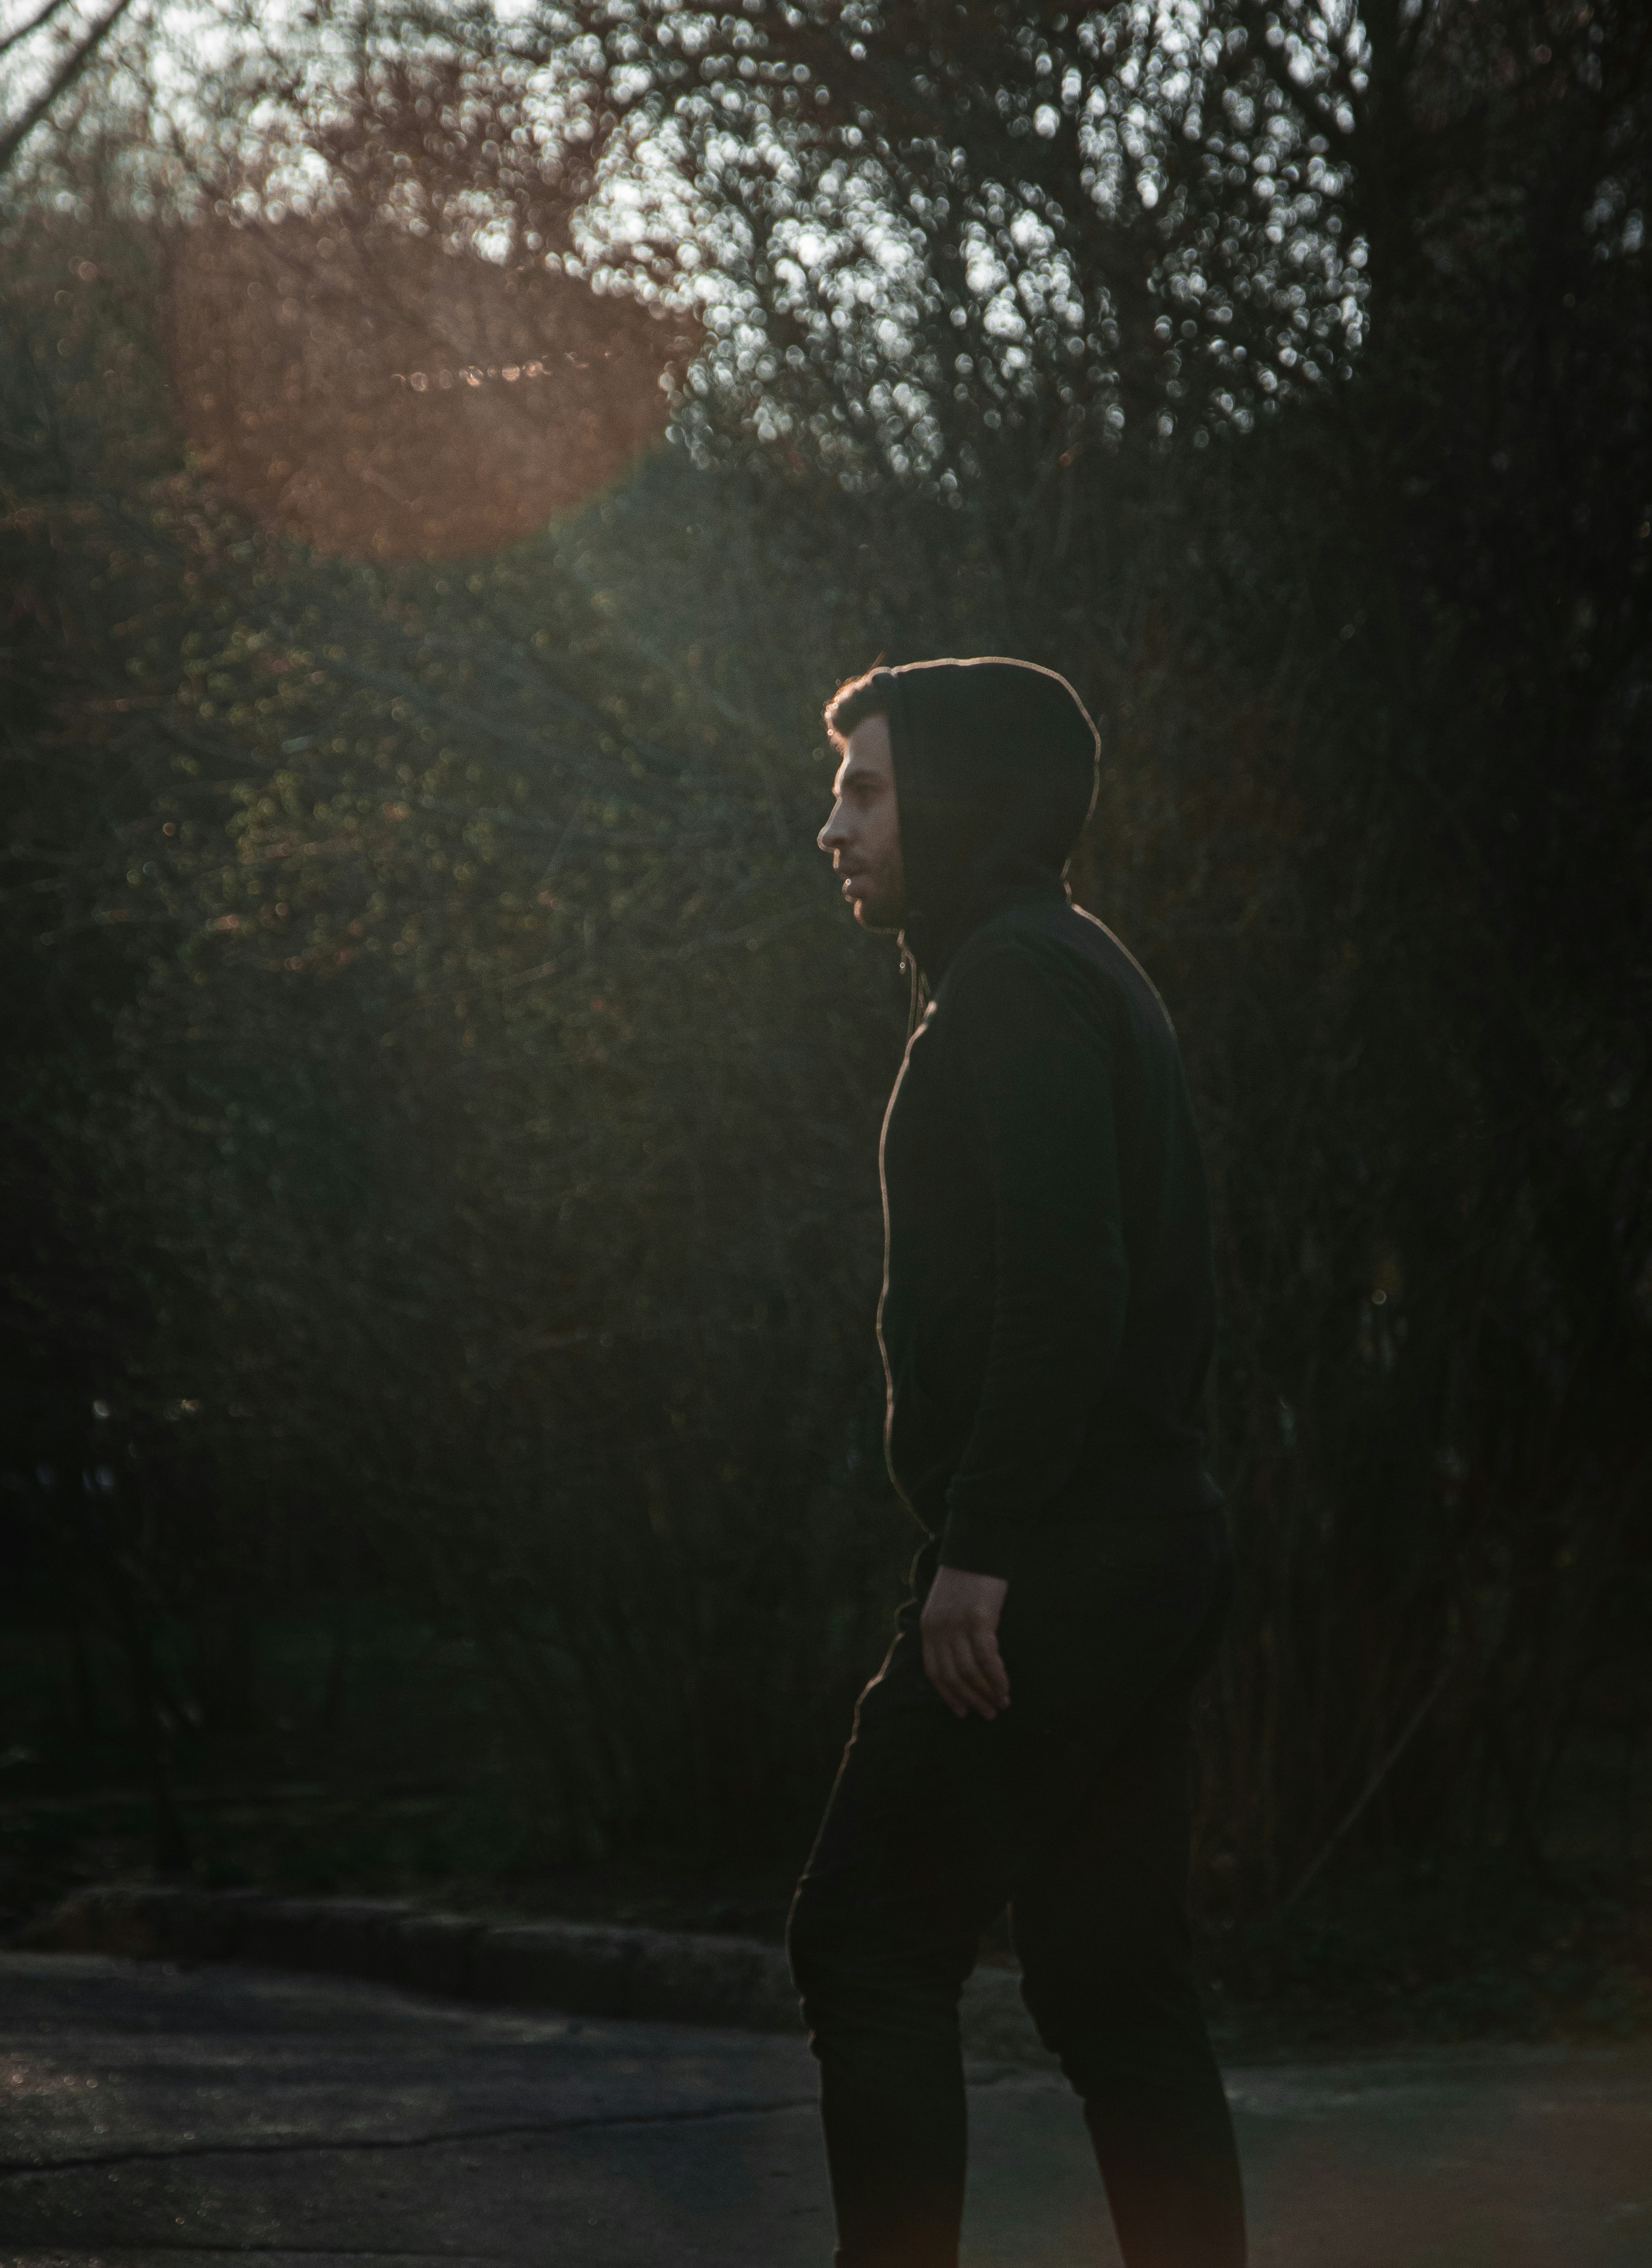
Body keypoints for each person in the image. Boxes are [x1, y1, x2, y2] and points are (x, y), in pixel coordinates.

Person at [788, 657, 1246, 2268]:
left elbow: (1073, 1278)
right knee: (1113, 1981)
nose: (831, 823)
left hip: (1058, 1557)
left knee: (864, 1939)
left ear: (961, 798)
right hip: (1132, 1543)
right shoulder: (1062, 965)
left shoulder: (1015, 984)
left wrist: (979, 1546)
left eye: (868, 788)